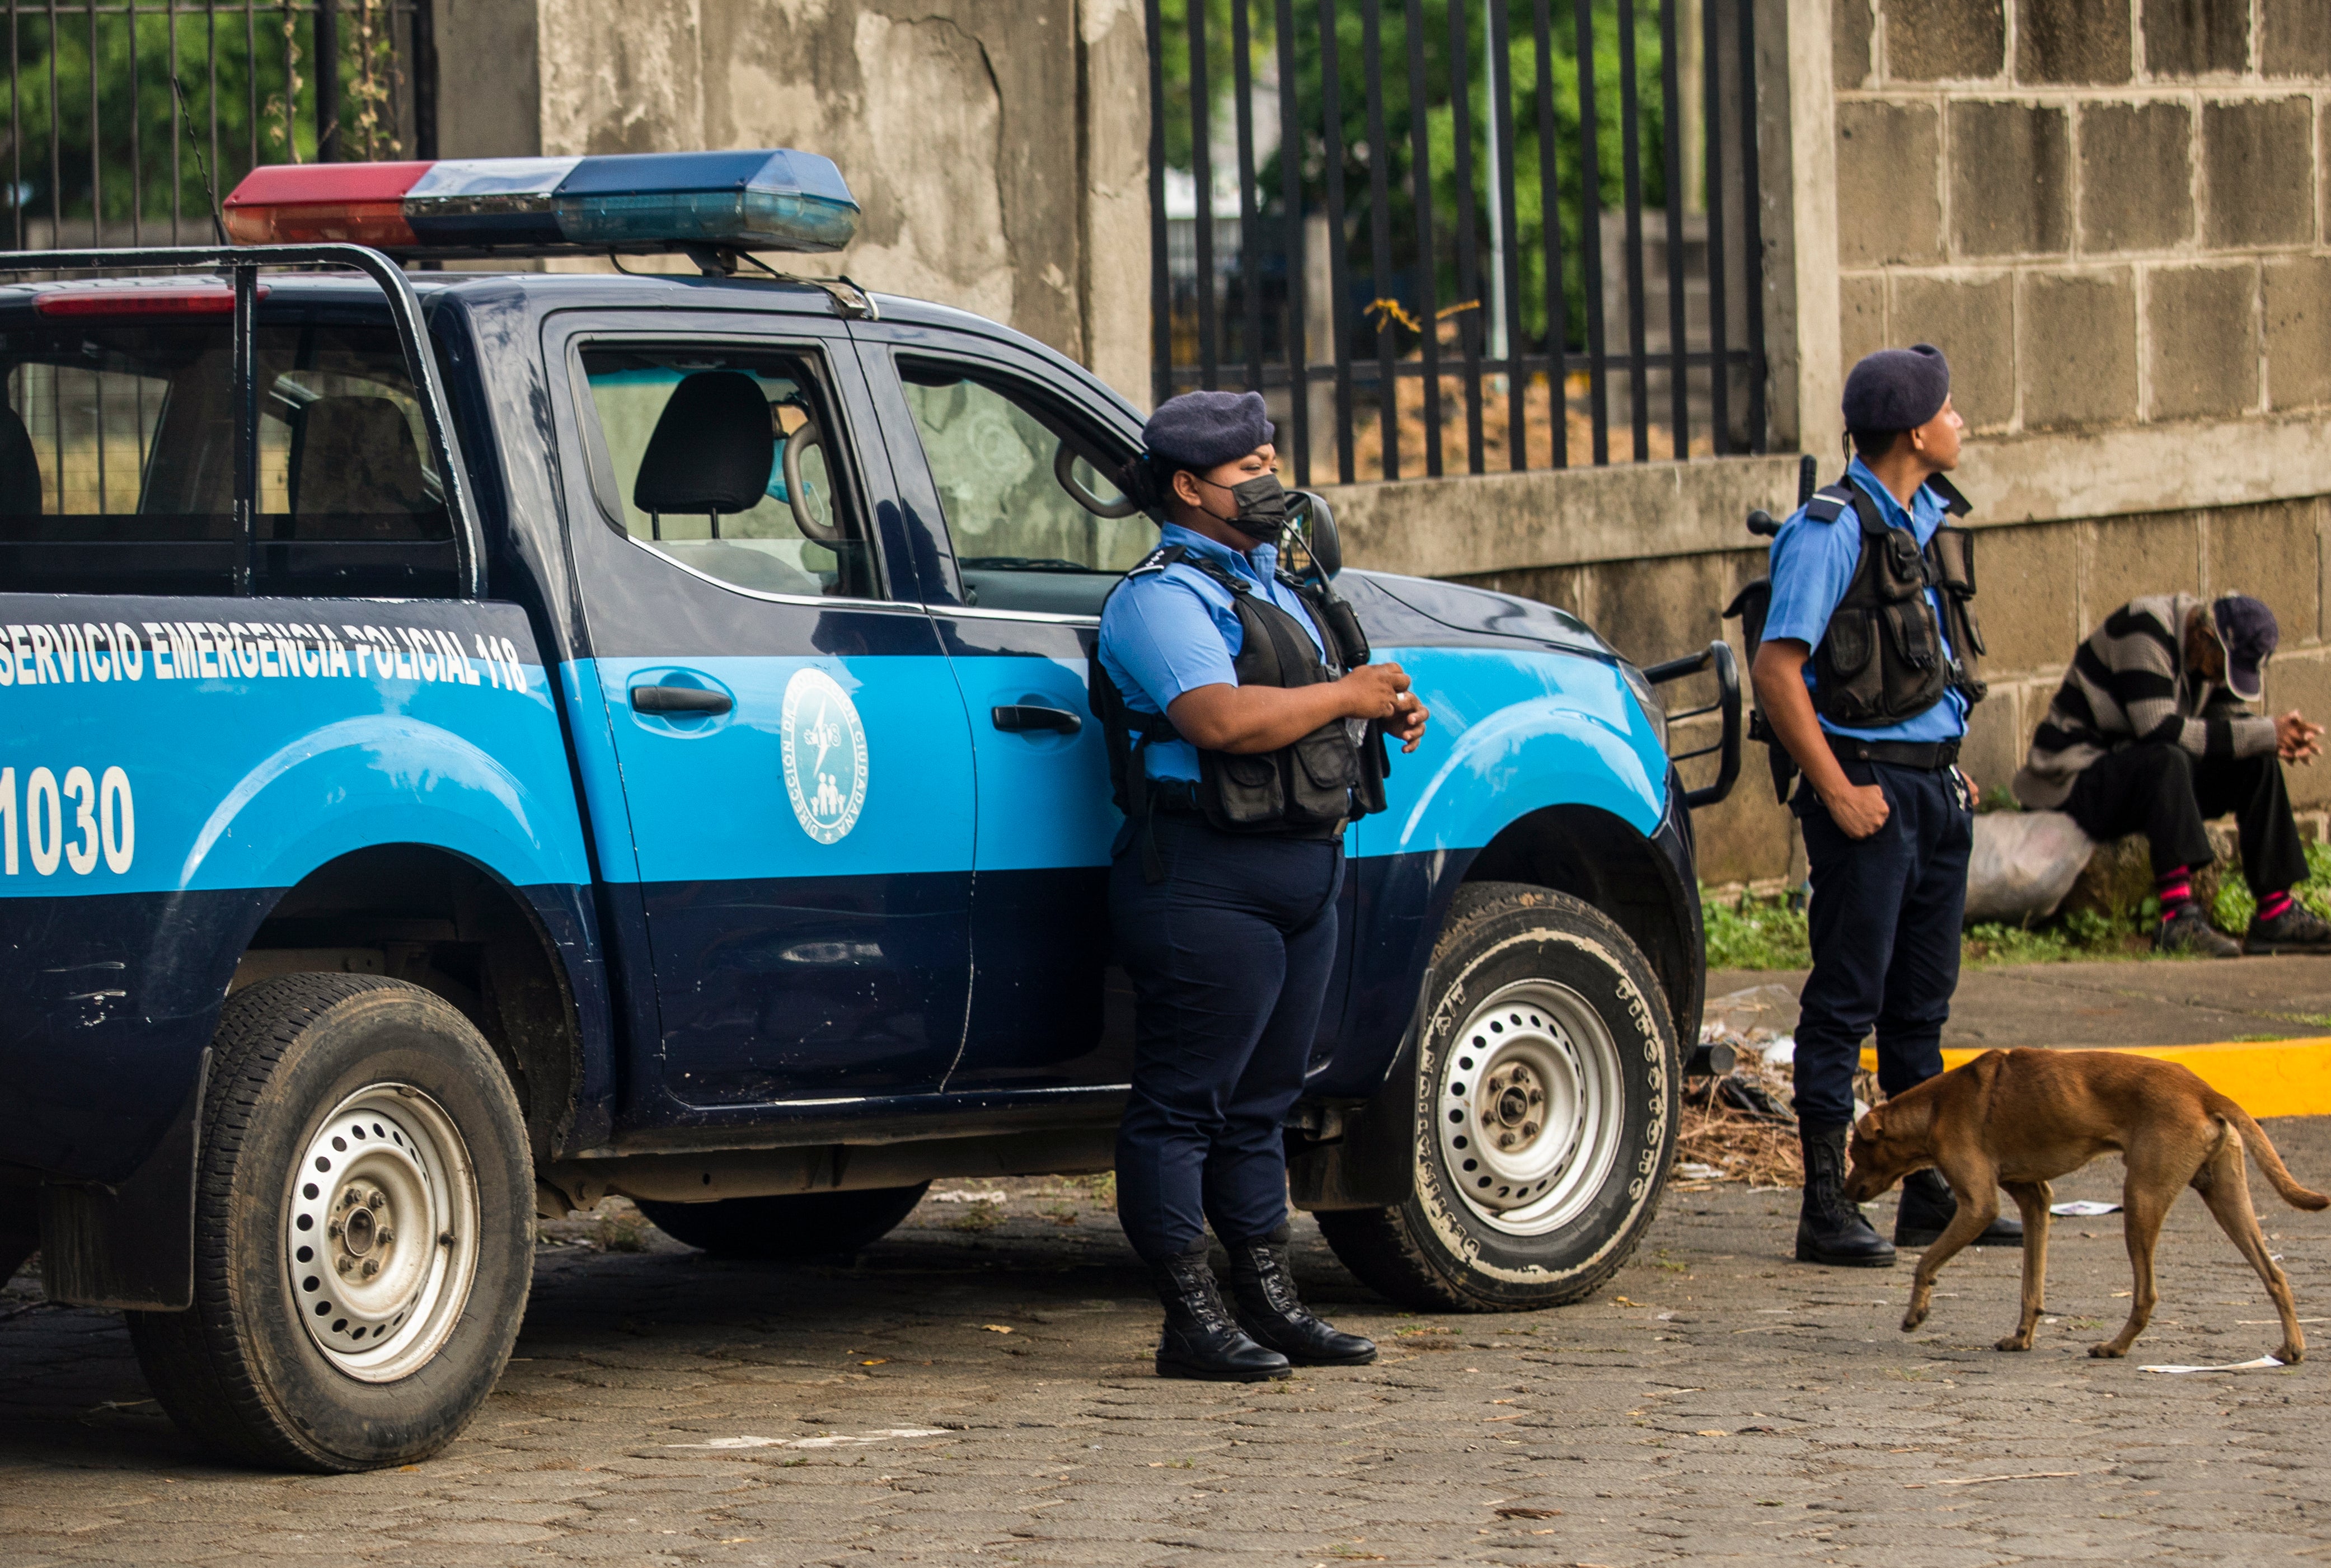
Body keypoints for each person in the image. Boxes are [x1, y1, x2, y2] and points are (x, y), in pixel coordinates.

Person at [1094, 389, 1430, 1382]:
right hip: (1204, 877)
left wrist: (1383, 711)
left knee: (1265, 1102)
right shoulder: (1161, 596)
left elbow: (1312, 703)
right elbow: (1219, 720)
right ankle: (1189, 1317)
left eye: (1273, 460)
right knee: (1184, 1104)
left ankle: (1272, 1301)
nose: (1271, 483)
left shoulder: (1277, 581)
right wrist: (1347, 694)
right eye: (1249, 471)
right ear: (1191, 487)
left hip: (1301, 866)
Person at [1748, 344, 2020, 1269]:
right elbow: (1778, 672)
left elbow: (1926, 667)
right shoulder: (1830, 529)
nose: (1961, 422)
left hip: (1930, 788)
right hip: (1868, 791)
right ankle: (1827, 1205)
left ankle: (1926, 1191)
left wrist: (1950, 765)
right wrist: (1837, 788)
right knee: (1845, 1001)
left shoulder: (1927, 518)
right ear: (1915, 429)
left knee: (1919, 1008)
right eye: (1950, 409)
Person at [2012, 594, 2328, 956]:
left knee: (2258, 760)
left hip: (2138, 778)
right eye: (2221, 667)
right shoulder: (2144, 629)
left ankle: (2275, 914)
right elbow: (2157, 730)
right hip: (2074, 780)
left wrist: (2276, 739)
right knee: (2166, 758)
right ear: (2203, 636)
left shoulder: (2206, 653)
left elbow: (2230, 725)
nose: (2219, 679)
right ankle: (2178, 918)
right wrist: (2263, 733)